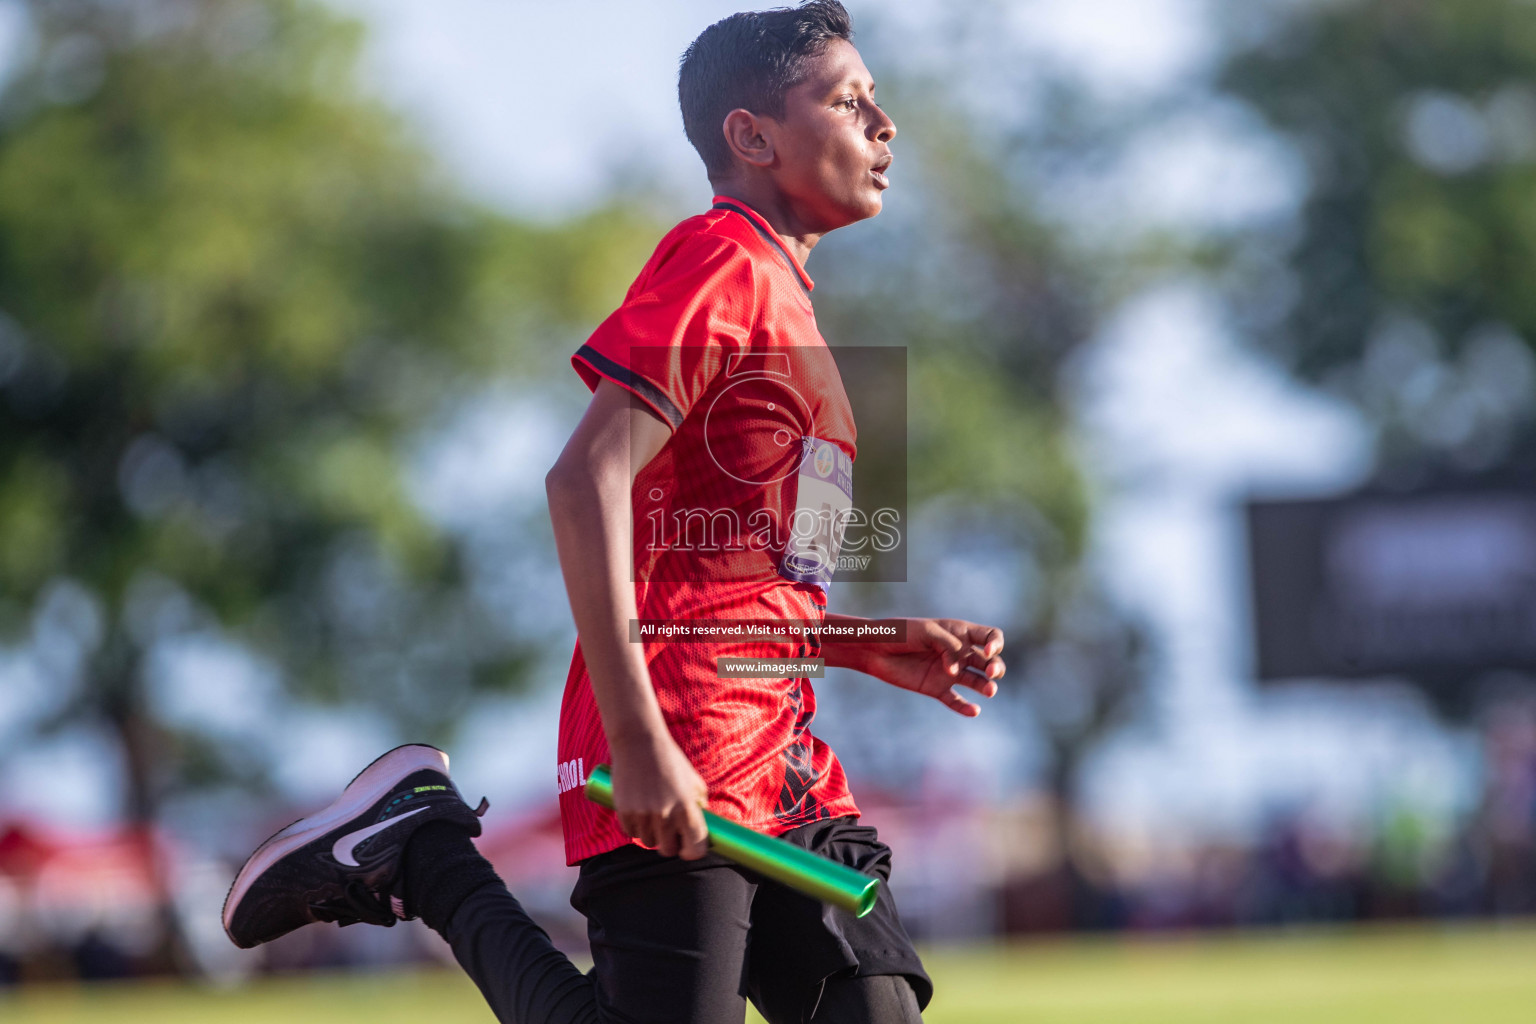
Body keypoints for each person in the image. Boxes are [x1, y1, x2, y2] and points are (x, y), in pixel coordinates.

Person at [222, 4, 1005, 1022]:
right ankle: (422, 850)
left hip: (786, 761)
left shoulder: (797, 309)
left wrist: (861, 640)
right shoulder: (722, 259)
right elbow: (582, 479)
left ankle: (416, 845)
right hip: (674, 739)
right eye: (852, 100)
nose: (886, 122)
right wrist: (638, 742)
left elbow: (744, 584)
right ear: (752, 136)